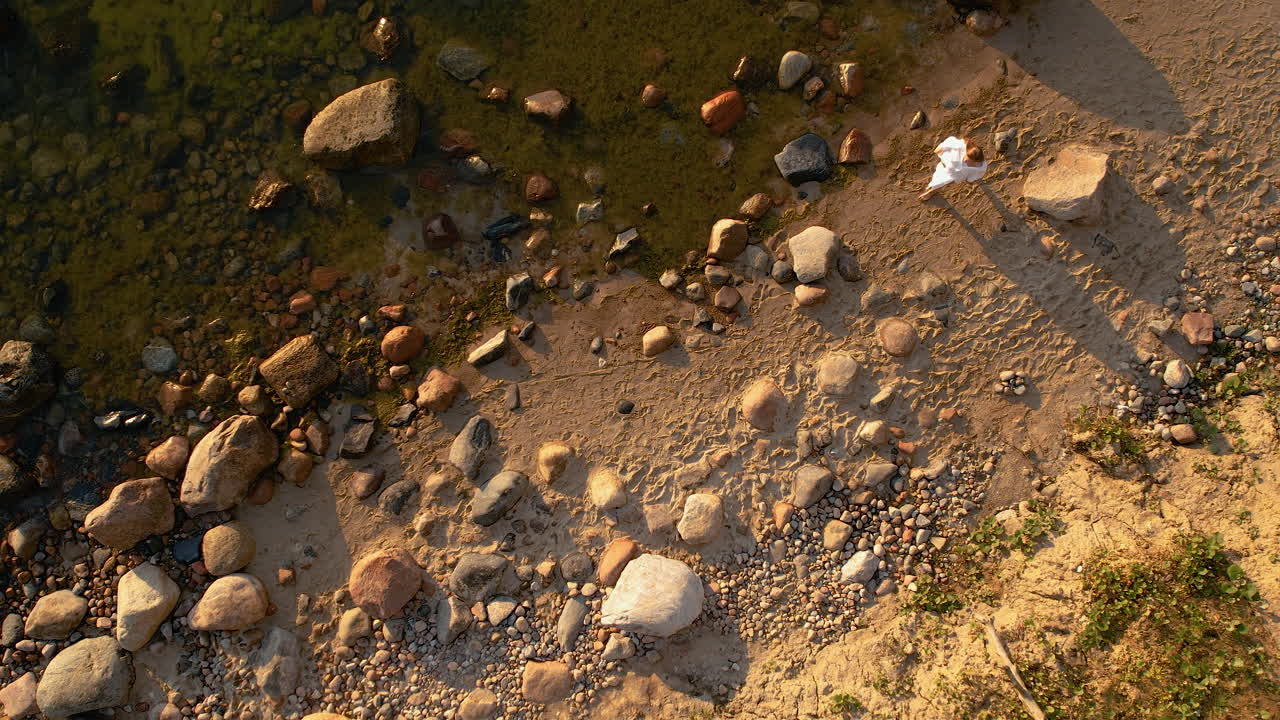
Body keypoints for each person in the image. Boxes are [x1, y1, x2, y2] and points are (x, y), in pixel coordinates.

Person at [919, 136, 987, 201]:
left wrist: (969, 178)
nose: (966, 161)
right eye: (967, 158)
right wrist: (941, 148)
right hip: (947, 167)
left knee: (945, 182)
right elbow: (950, 144)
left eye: (971, 161)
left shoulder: (979, 166)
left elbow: (977, 173)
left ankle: (932, 192)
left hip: (956, 175)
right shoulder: (960, 147)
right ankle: (933, 190)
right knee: (940, 180)